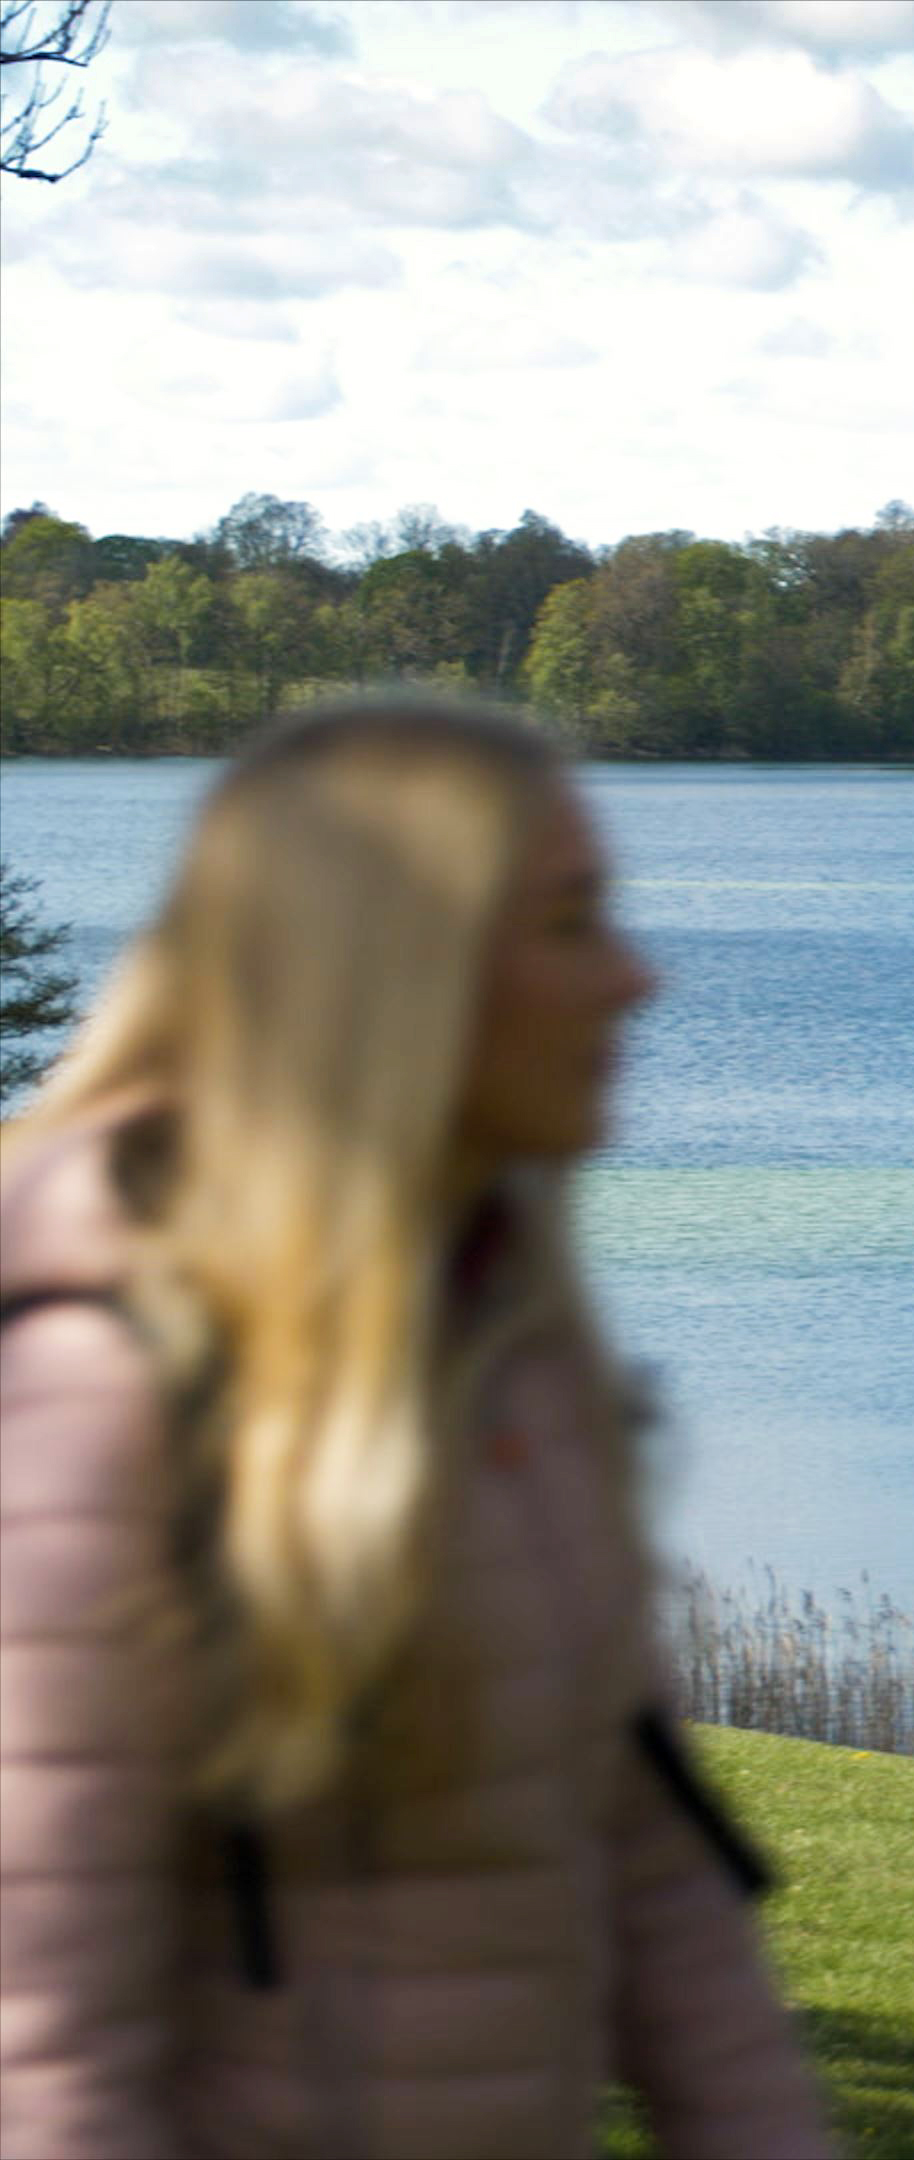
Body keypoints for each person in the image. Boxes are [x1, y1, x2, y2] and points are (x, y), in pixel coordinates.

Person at [0, 701, 831, 2157]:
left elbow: (658, 1882)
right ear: (403, 973)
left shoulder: (509, 1340)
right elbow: (45, 2051)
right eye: (571, 924)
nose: (634, 980)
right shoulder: (102, 1388)